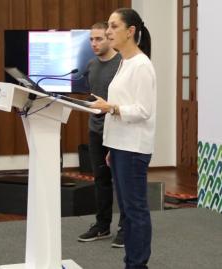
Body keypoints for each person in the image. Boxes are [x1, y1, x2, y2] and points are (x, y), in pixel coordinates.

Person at [90, 8, 156, 269]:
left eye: (114, 26)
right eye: (108, 25)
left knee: (135, 211)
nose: (108, 31)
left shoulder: (141, 65)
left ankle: (138, 265)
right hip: (120, 146)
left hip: (133, 148)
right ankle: (132, 262)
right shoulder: (125, 62)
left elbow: (143, 110)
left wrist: (111, 108)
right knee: (128, 212)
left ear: (130, 32)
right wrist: (111, 146)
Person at [78, 22, 126, 248]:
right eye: (91, 40)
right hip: (96, 131)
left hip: (118, 129)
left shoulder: (123, 65)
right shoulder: (90, 65)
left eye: (99, 39)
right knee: (101, 180)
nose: (94, 44)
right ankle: (102, 225)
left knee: (122, 182)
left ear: (109, 38)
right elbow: (93, 97)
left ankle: (126, 228)